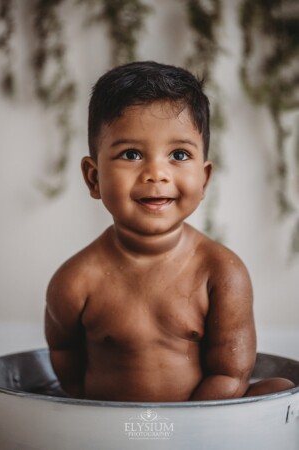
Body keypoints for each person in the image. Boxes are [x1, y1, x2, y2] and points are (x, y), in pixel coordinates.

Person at [45, 61, 294, 401]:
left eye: (178, 154)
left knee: (280, 388)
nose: (156, 173)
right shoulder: (76, 280)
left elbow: (231, 371)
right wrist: (84, 405)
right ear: (94, 178)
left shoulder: (221, 273)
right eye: (131, 154)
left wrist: (186, 430)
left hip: (201, 418)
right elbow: (63, 354)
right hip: (109, 424)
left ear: (204, 178)